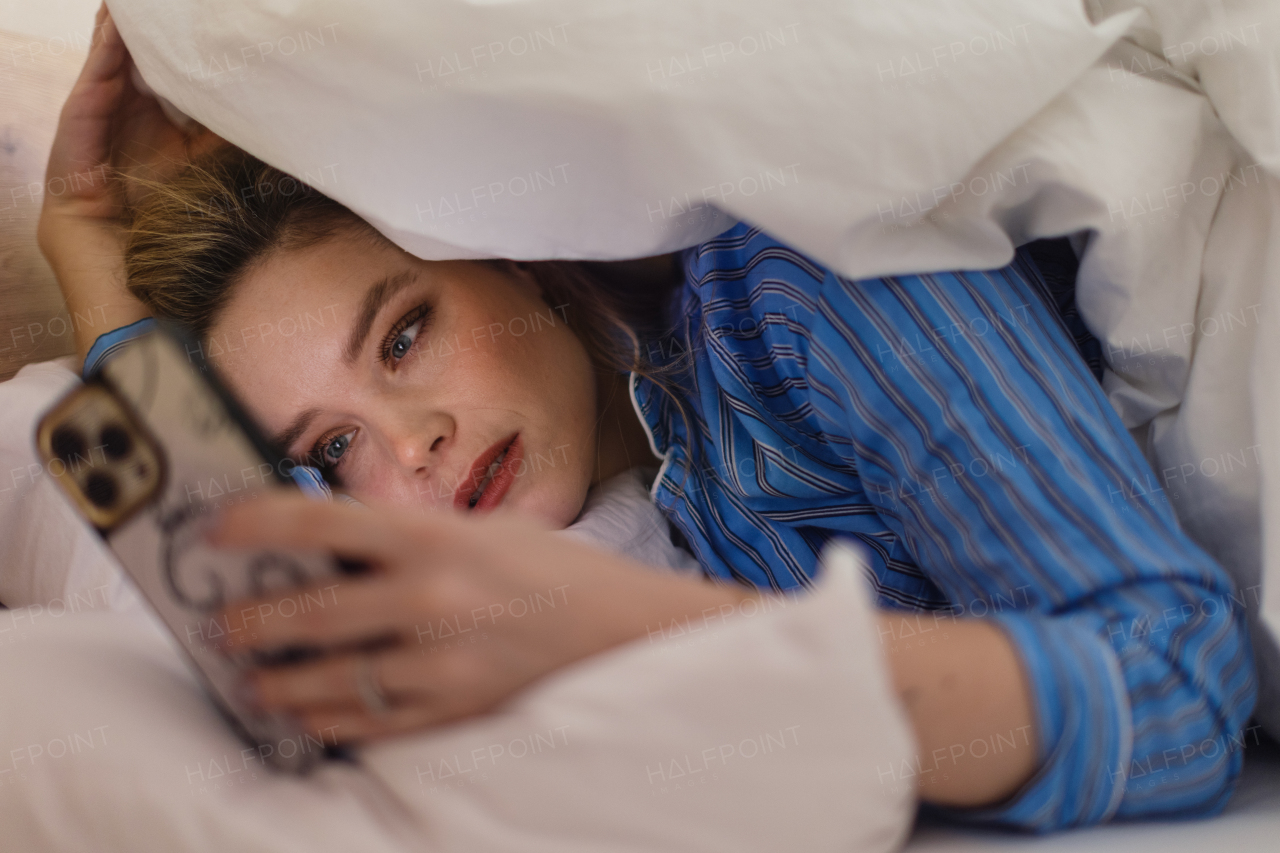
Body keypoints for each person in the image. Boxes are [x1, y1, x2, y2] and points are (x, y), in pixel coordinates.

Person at [37, 8, 1255, 833]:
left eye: (403, 334)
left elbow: (1179, 690)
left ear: (505, 260)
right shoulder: (637, 469)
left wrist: (634, 632)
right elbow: (261, 636)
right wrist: (87, 260)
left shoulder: (809, 287)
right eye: (332, 448)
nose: (406, 444)